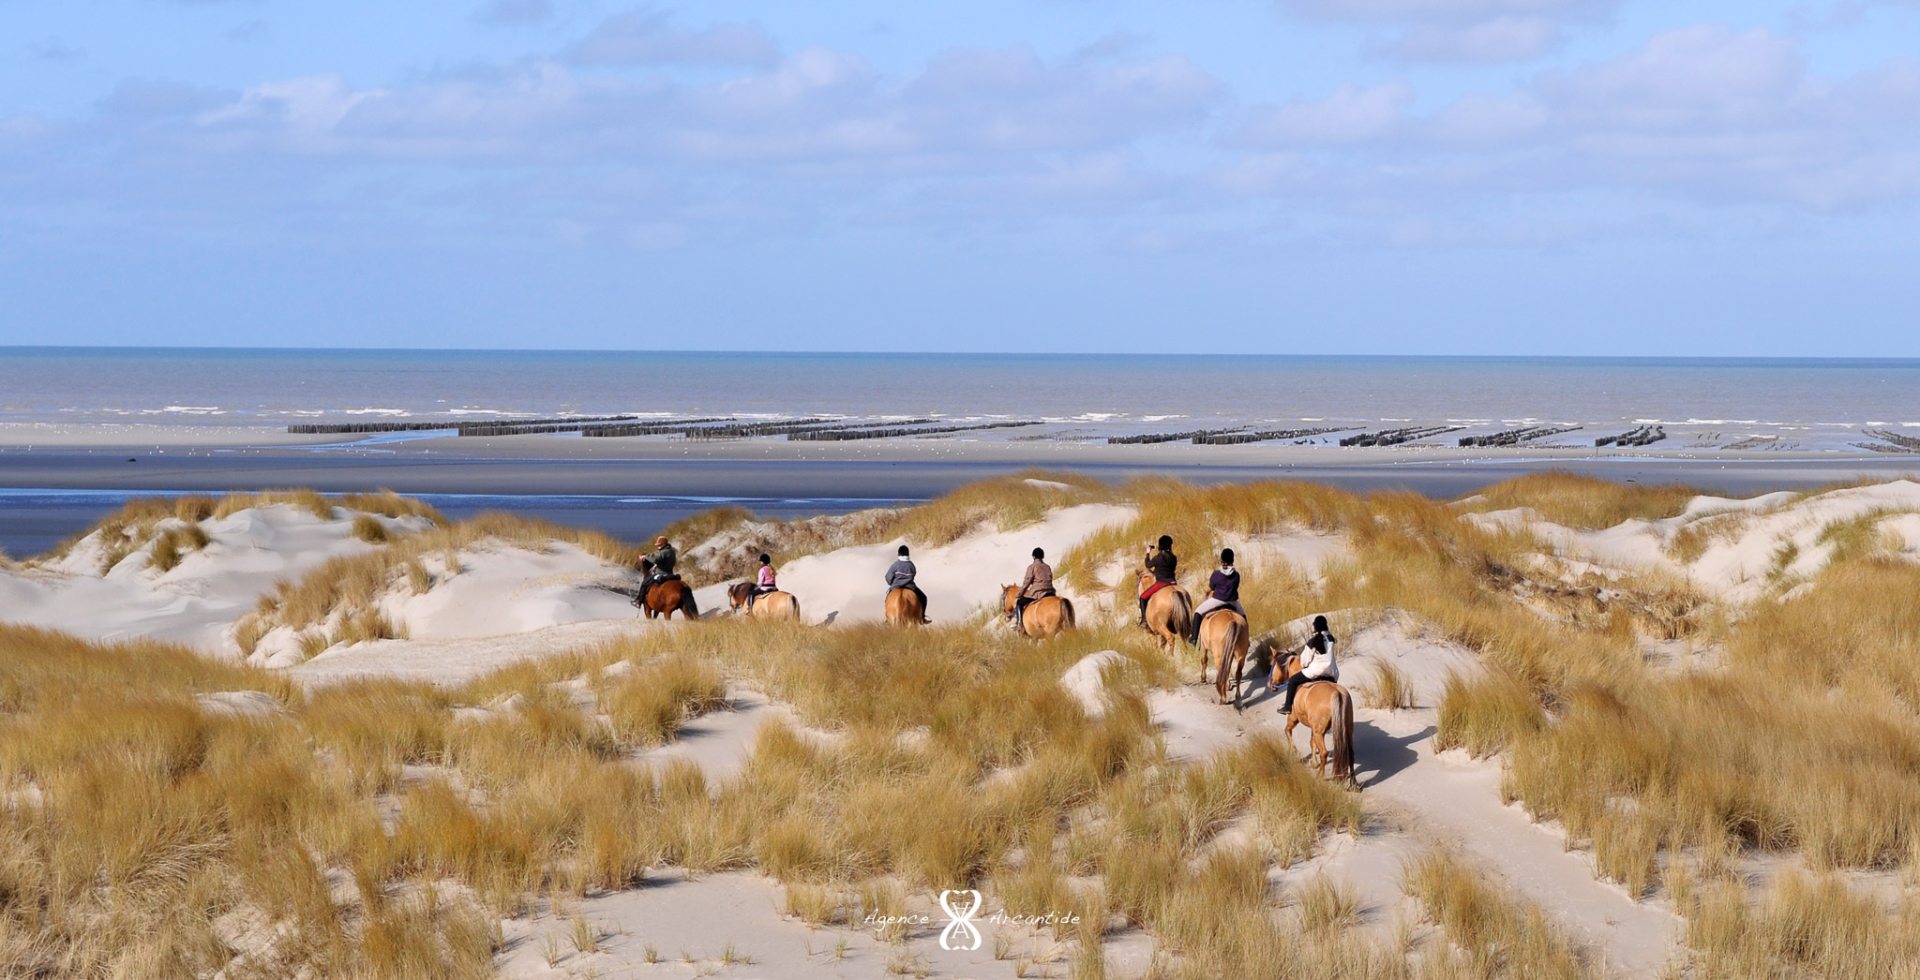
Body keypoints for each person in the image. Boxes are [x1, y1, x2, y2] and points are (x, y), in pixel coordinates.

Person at [1278, 615, 1339, 714]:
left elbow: (1304, 661)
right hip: (1332, 673)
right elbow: (1329, 639)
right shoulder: (1331, 639)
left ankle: (1287, 706)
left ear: (1315, 627)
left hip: (1316, 671)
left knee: (1292, 681)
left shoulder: (1312, 641)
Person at [1188, 548, 1245, 644]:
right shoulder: (1236, 575)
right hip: (1233, 602)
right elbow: (1235, 586)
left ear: (1221, 560)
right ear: (1232, 560)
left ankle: (1194, 638)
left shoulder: (1217, 574)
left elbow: (1212, 587)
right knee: (1243, 616)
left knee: (1198, 612)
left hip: (1218, 600)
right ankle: (1245, 640)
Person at [1138, 534, 1178, 627]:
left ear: (1161, 546)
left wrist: (1148, 553)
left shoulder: (1158, 558)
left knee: (1143, 597)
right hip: (1173, 582)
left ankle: (1144, 620)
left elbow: (1148, 565)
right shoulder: (1173, 558)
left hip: (1162, 583)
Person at [885, 544, 930, 623]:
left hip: (896, 586)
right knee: (923, 598)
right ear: (908, 554)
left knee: (887, 599)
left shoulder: (895, 565)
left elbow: (888, 577)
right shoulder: (911, 565)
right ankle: (922, 617)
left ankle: (887, 617)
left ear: (898, 554)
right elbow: (913, 575)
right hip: (910, 586)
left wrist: (892, 583)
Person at [1015, 547, 1055, 630]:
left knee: (1019, 603)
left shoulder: (1032, 567)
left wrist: (1019, 594)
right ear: (1042, 556)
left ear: (1033, 557)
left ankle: (1019, 624)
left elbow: (1027, 582)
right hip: (1050, 592)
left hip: (1038, 593)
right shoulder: (1047, 567)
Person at [639, 535, 678, 602]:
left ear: (664, 544)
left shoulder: (663, 552)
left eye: (659, 545)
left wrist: (645, 556)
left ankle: (639, 600)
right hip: (670, 573)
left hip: (661, 574)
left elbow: (655, 559)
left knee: (645, 583)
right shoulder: (671, 551)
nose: (658, 546)